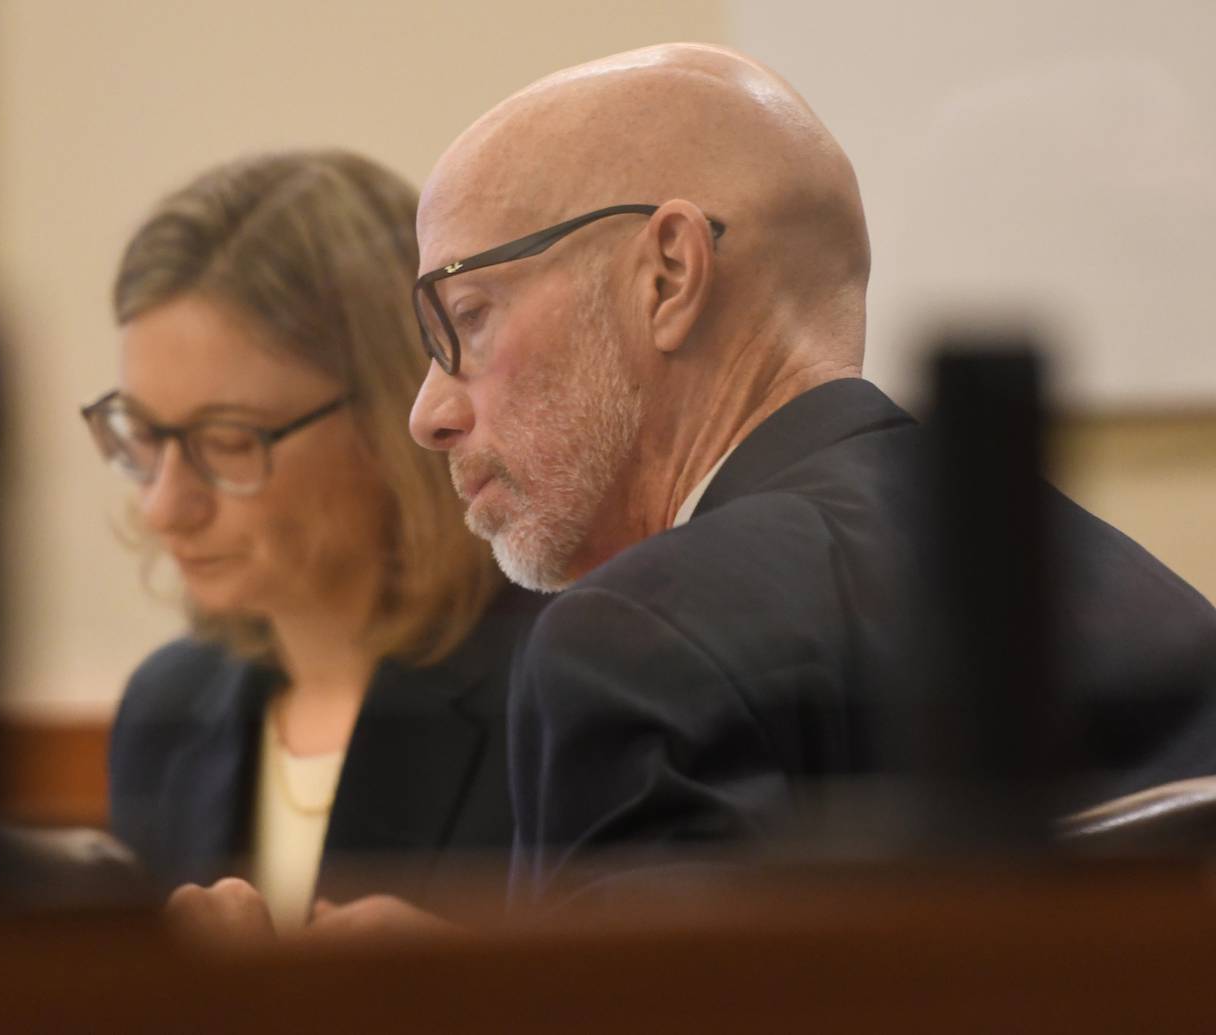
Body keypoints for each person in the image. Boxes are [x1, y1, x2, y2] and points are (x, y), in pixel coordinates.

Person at [405, 43, 1216, 904]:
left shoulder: (635, 638)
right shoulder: (1159, 602)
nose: (429, 414)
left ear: (669, 275)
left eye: (468, 317)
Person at [85, 150, 542, 936]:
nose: (166, 506)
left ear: (392, 415)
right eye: (145, 436)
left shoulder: (552, 693)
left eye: (226, 441)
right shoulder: (166, 709)